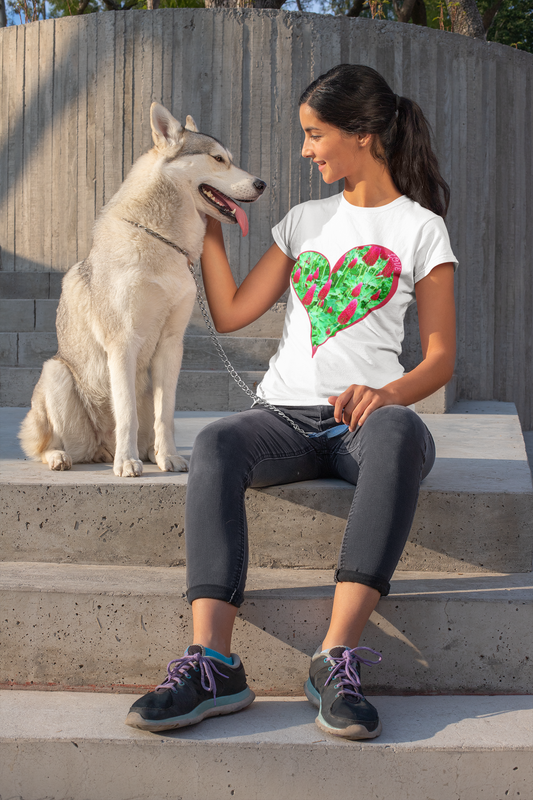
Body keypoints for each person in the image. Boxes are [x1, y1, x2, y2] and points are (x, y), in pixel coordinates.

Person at [125, 64, 458, 740]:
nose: (304, 150)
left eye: (314, 135)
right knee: (218, 440)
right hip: (282, 418)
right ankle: (213, 663)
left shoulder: (420, 230)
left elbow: (441, 356)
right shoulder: (302, 221)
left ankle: (333, 660)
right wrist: (211, 220)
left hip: (366, 422)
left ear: (361, 136)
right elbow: (231, 312)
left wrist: (385, 394)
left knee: (396, 435)